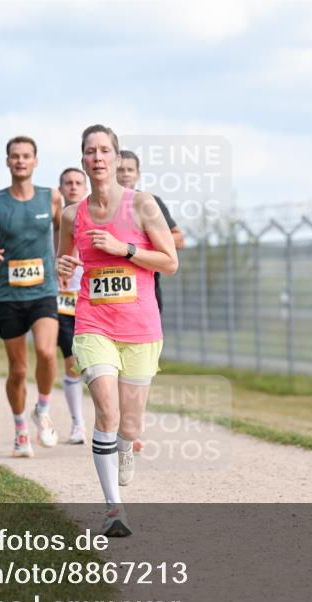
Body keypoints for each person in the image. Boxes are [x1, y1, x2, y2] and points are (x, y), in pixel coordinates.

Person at [57, 124, 178, 537]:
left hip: (141, 325)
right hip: (93, 322)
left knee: (129, 423)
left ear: (115, 157)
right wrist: (64, 268)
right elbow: (64, 262)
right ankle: (113, 508)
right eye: (90, 151)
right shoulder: (72, 213)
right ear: (83, 159)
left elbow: (170, 261)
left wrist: (123, 249)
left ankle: (127, 445)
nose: (97, 157)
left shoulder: (142, 205)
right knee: (105, 408)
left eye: (104, 150)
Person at [0, 136, 62, 458]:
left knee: (47, 353)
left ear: (36, 161)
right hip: (9, 295)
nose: (21, 161)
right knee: (19, 370)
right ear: (7, 162)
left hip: (44, 292)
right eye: (15, 156)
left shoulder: (51, 198)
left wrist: (64, 260)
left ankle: (43, 409)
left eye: (26, 156)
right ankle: (20, 430)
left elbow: (64, 236)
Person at [116, 149, 185, 313]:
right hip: (108, 285)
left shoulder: (150, 202)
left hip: (146, 285)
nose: (125, 174)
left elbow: (179, 239)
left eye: (130, 170)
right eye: (120, 170)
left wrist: (144, 239)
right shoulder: (100, 204)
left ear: (138, 174)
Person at [57, 167, 88, 444]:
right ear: (60, 189)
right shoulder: (52, 222)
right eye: (68, 183)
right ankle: (78, 422)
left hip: (92, 298)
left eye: (78, 182)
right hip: (63, 302)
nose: (73, 187)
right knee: (72, 363)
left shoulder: (95, 217)